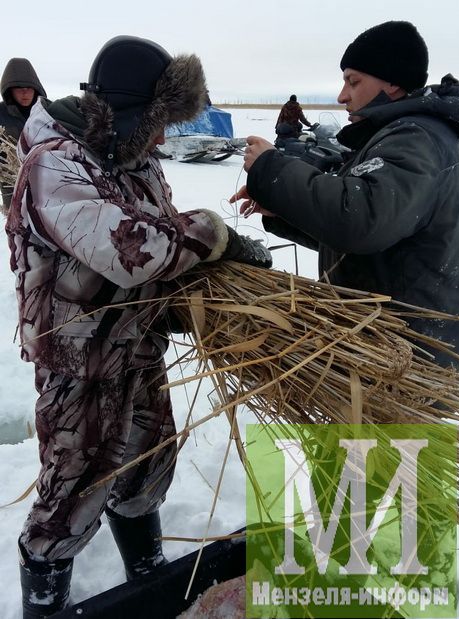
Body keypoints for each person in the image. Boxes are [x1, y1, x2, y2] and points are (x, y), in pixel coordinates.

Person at [6, 35, 271, 617]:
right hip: (80, 359)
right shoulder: (54, 162)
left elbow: (163, 223)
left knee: (147, 468)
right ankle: (46, 599)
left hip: (138, 344)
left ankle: (146, 574)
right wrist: (214, 234)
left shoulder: (134, 156)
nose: (162, 139)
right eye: (158, 123)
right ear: (127, 113)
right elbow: (135, 249)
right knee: (72, 488)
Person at [231, 20, 459, 369]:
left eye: (353, 81)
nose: (342, 96)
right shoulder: (400, 135)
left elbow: (360, 219)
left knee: (395, 430)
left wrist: (271, 168)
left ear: (393, 82)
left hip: (405, 361)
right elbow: (369, 242)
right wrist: (283, 210)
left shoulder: (416, 140)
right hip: (384, 349)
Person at [0, 57, 47, 209]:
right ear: (9, 90)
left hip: (44, 184)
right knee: (17, 228)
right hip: (11, 186)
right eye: (18, 87)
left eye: (29, 87)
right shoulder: (1, 113)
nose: (25, 92)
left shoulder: (46, 111)